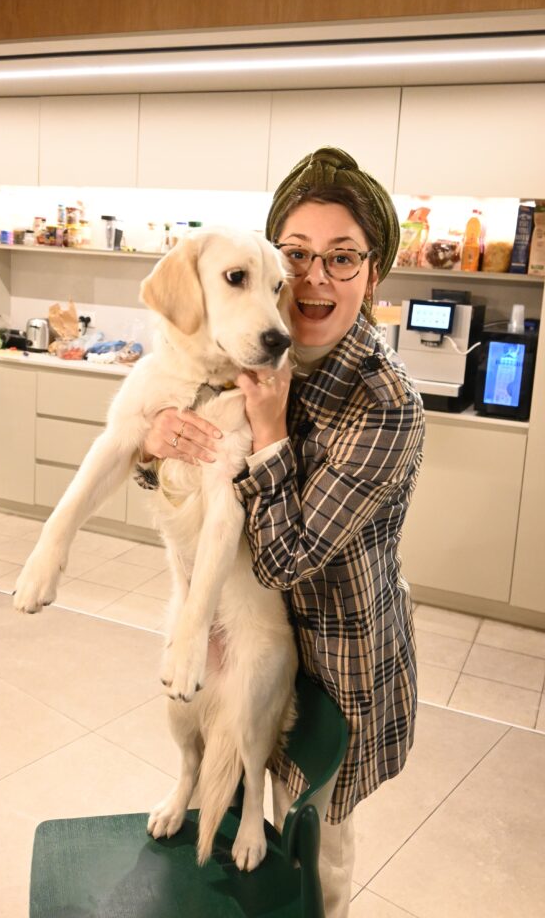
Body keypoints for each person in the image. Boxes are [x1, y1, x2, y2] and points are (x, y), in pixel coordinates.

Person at [138, 147, 424, 918]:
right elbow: (175, 477)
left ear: (374, 273)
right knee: (220, 795)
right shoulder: (247, 346)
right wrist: (153, 443)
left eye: (342, 258)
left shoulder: (383, 401)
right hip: (245, 630)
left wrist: (266, 433)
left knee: (313, 852)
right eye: (295, 256)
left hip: (334, 658)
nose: (314, 279)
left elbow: (284, 556)